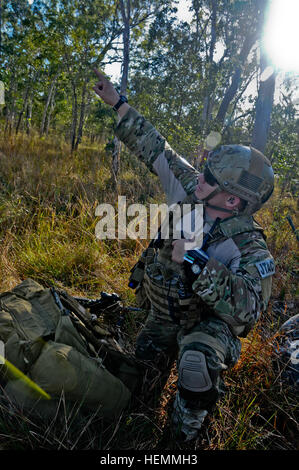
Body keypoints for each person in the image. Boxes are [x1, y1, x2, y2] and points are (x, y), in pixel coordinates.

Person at [93, 69, 275, 441]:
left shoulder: (249, 246)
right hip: (163, 314)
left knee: (196, 363)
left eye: (209, 177)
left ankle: (180, 443)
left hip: (205, 326)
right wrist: (118, 102)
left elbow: (248, 311)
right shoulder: (192, 190)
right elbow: (157, 148)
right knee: (133, 386)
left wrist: (195, 261)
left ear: (232, 199)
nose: (199, 177)